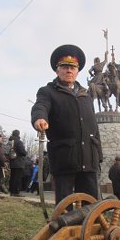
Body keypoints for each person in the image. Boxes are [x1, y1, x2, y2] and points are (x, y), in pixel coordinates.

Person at [31, 44, 103, 204]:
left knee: (90, 205)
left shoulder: (86, 96)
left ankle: (88, 230)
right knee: (64, 207)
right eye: (64, 67)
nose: (69, 70)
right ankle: (65, 229)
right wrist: (39, 118)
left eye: (72, 67)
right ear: (57, 70)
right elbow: (40, 106)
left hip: (88, 158)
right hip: (65, 158)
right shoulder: (47, 91)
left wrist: (99, 155)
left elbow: (94, 127)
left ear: (77, 71)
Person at [8, 130, 27, 197]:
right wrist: (25, 152)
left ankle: (11, 191)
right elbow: (23, 152)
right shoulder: (18, 142)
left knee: (12, 177)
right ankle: (16, 192)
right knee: (17, 178)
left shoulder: (10, 142)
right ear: (18, 134)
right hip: (18, 162)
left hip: (12, 161)